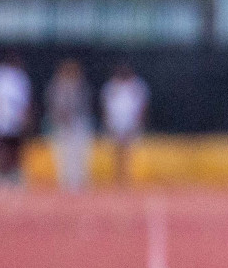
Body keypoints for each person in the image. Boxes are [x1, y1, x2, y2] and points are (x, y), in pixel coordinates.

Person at [45, 59, 93, 191]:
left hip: (78, 122)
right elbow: (52, 105)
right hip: (61, 124)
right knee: (62, 154)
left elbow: (85, 105)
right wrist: (60, 117)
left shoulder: (81, 86)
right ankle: (65, 182)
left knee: (79, 153)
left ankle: (78, 181)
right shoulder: (56, 86)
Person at [0, 52, 32, 181]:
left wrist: (24, 117)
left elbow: (24, 100)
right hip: (1, 119)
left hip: (16, 120)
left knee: (15, 149)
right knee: (0, 148)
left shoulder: (20, 77)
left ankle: (13, 174)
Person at [101, 65, 150, 184]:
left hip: (131, 122)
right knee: (116, 151)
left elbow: (143, 105)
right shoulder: (111, 86)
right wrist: (108, 123)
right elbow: (105, 106)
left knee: (128, 151)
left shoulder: (137, 85)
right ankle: (117, 176)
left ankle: (126, 176)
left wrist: (138, 122)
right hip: (115, 123)